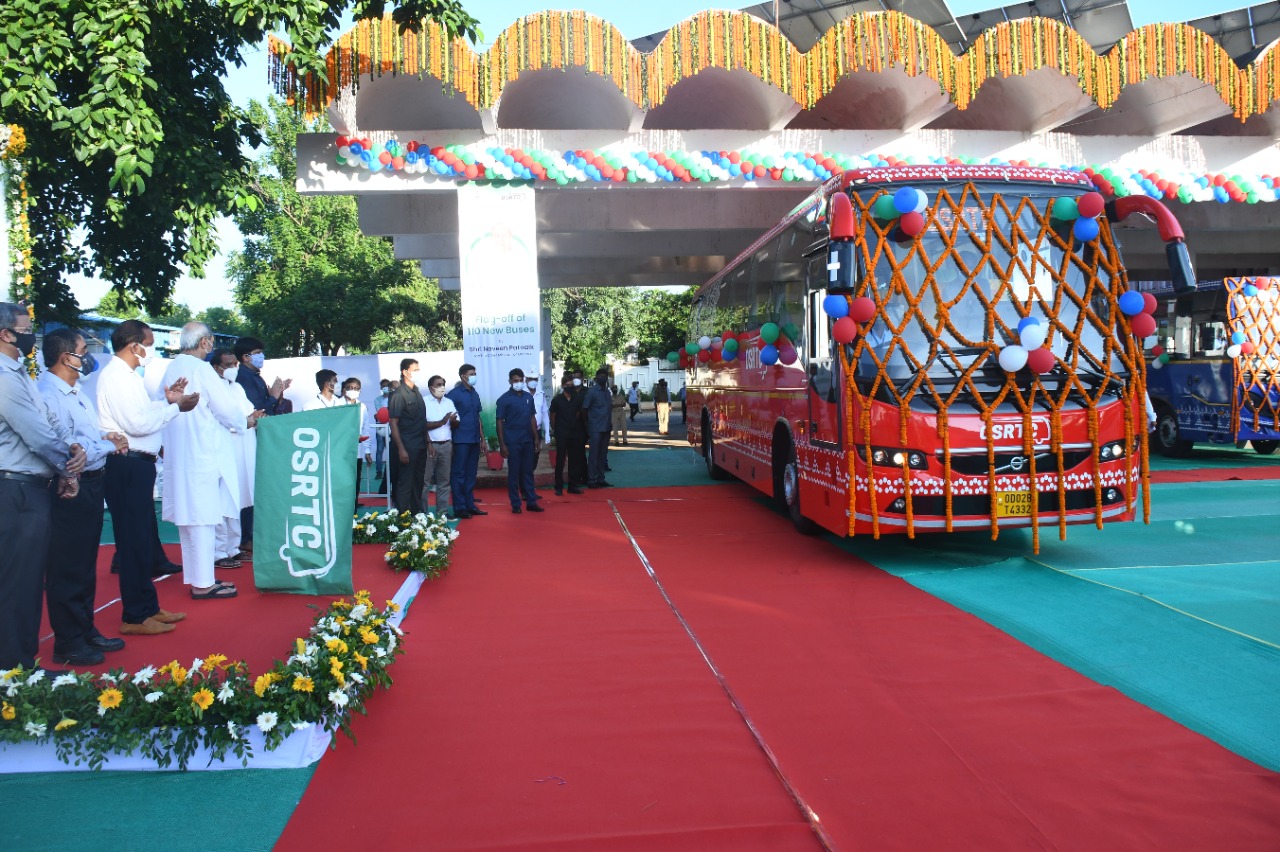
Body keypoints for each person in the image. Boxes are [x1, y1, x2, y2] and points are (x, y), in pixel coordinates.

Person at [0, 303, 88, 671]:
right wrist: (68, 467)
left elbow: (48, 419)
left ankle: (22, 664)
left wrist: (71, 447)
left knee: (28, 582)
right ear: (6, 334)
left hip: (32, 487)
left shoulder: (18, 370)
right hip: (16, 489)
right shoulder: (3, 376)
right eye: (25, 328)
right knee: (17, 586)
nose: (31, 334)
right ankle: (15, 671)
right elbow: (34, 432)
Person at [97, 319, 197, 636]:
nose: (151, 351)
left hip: (137, 465)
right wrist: (175, 407)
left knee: (140, 541)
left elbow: (141, 417)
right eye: (150, 343)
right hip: (126, 464)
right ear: (134, 346)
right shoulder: (117, 377)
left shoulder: (127, 377)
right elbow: (138, 425)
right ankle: (135, 615)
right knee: (132, 543)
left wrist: (166, 402)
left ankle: (147, 607)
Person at [39, 329, 129, 666]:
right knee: (67, 567)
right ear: (66, 358)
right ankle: (68, 641)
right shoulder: (49, 394)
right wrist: (111, 444)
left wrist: (106, 437)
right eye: (82, 350)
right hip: (70, 485)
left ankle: (84, 628)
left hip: (92, 483)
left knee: (84, 564)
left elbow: (88, 436)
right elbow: (69, 448)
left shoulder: (75, 391)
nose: (87, 356)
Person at [161, 323, 262, 601]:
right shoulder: (201, 368)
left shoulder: (171, 367)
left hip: (183, 452)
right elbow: (227, 410)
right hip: (203, 452)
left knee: (191, 521)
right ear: (205, 342)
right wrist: (247, 420)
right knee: (203, 518)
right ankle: (204, 583)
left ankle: (199, 578)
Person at [232, 336, 289, 558]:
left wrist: (277, 395)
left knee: (257, 488)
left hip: (260, 436)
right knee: (249, 487)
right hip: (250, 436)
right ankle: (246, 537)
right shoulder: (243, 378)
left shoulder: (254, 376)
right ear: (245, 357)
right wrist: (273, 396)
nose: (261, 357)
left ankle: (253, 534)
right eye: (257, 352)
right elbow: (257, 410)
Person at [210, 348, 256, 565]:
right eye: (227, 365)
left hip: (242, 449)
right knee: (221, 502)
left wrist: (254, 417)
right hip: (223, 449)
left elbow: (247, 413)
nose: (233, 369)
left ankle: (233, 547)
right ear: (215, 367)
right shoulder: (213, 388)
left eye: (234, 364)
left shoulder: (236, 387)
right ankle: (218, 551)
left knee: (236, 500)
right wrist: (245, 420)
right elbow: (229, 418)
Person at [496, 367, 543, 513]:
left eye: (521, 380)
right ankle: (516, 504)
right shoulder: (504, 399)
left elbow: (532, 418)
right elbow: (499, 422)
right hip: (512, 442)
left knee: (528, 472)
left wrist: (536, 438)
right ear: (510, 381)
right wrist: (502, 444)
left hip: (528, 440)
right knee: (514, 474)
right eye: (515, 381)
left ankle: (531, 502)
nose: (518, 383)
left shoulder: (528, 397)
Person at [388, 359, 428, 515]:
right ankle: (403, 519)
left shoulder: (416, 392)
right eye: (415, 370)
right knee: (405, 483)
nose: (418, 373)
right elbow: (393, 423)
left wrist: (428, 443)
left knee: (418, 483)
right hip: (406, 445)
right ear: (405, 372)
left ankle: (416, 516)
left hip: (420, 444)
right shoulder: (398, 394)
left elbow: (422, 421)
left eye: (419, 369)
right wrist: (401, 449)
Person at [447, 363, 487, 518]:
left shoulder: (474, 393)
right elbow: (449, 419)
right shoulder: (454, 394)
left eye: (475, 373)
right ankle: (460, 507)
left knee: (471, 474)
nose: (474, 376)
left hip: (474, 439)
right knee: (458, 474)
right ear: (463, 376)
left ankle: (470, 505)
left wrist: (482, 439)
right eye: (471, 374)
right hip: (460, 440)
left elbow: (478, 417)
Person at [422, 375, 459, 518]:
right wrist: (442, 421)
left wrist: (454, 421)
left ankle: (442, 512)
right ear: (431, 387)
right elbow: (422, 425)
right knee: (425, 482)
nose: (442, 387)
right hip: (430, 446)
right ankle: (423, 513)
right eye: (439, 385)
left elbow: (456, 423)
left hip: (446, 445)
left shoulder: (448, 402)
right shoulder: (424, 402)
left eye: (443, 384)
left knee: (444, 482)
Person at [341, 377, 374, 510]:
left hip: (358, 451)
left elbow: (366, 429)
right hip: (341, 451)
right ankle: (343, 508)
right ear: (344, 390)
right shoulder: (338, 405)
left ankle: (353, 508)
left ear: (360, 391)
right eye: (350, 388)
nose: (352, 391)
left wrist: (367, 451)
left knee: (355, 480)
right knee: (343, 481)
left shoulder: (362, 407)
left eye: (356, 388)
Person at [549, 375, 586, 496]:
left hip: (575, 433)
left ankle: (572, 485)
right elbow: (552, 416)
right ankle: (558, 487)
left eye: (571, 385)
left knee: (574, 460)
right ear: (563, 386)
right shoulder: (557, 400)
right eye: (567, 385)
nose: (570, 387)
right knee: (560, 460)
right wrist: (556, 430)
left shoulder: (577, 398)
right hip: (561, 433)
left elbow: (578, 413)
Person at [582, 368, 614, 488]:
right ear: (596, 378)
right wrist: (587, 423)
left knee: (603, 455)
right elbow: (585, 409)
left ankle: (601, 478)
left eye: (604, 375)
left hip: (606, 427)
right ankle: (592, 480)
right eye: (600, 375)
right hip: (595, 427)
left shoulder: (607, 392)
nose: (603, 378)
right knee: (594, 454)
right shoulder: (592, 392)